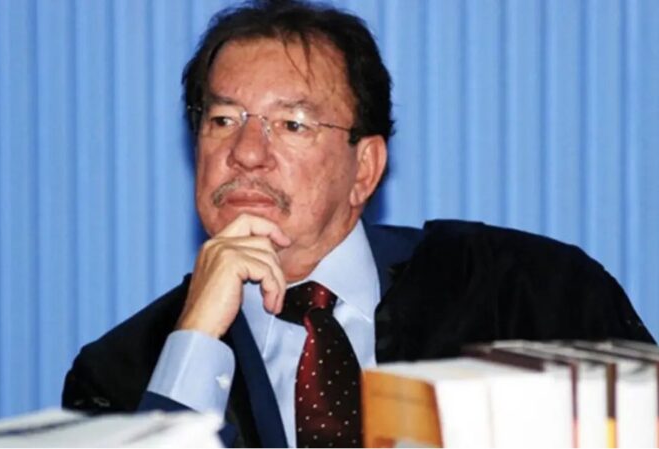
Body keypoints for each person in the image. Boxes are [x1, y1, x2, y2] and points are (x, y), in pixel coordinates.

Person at [62, 0, 654, 447]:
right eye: (222, 120)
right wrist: (194, 345)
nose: (246, 153)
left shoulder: (530, 292)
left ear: (364, 168)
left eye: (291, 125)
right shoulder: (120, 375)